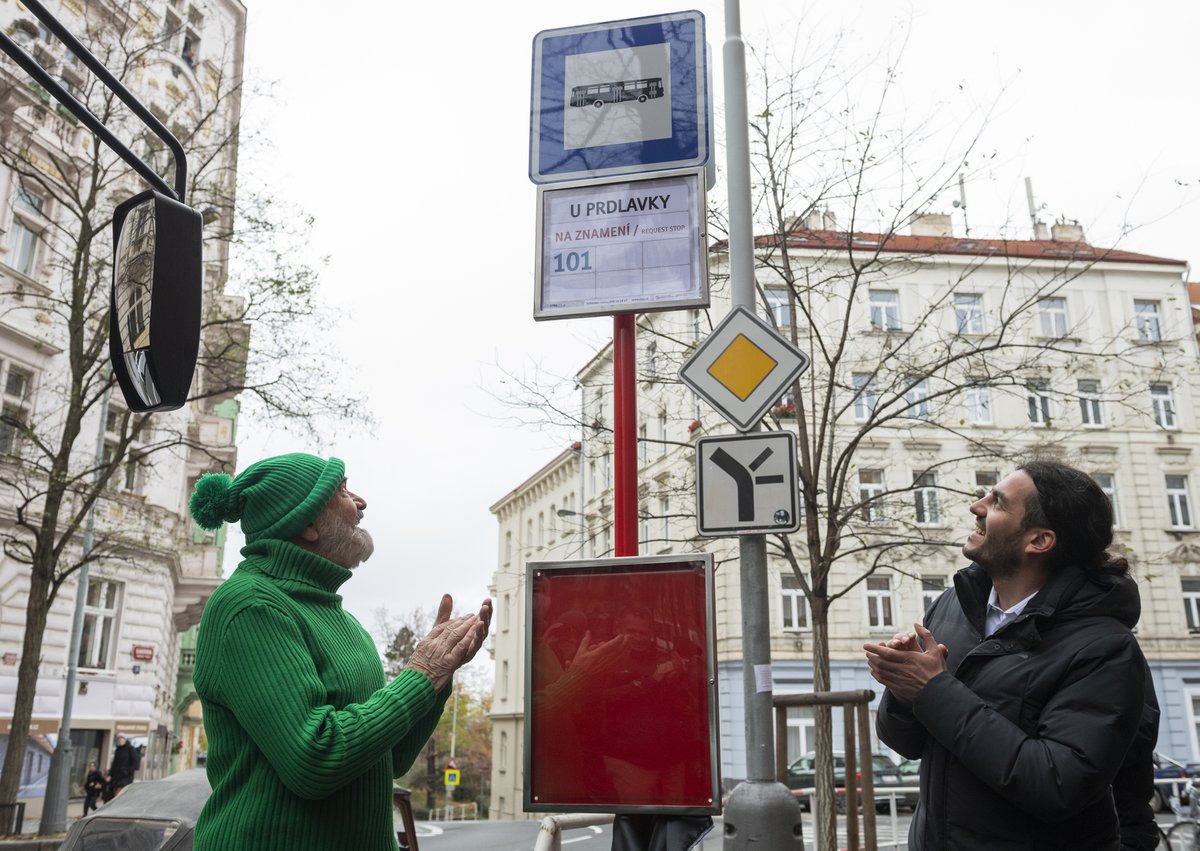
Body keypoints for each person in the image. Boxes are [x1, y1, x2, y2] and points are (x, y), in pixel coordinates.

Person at [187, 453, 490, 851]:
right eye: (343, 490)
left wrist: (439, 675)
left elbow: (391, 757)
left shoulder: (346, 624)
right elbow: (314, 758)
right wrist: (421, 675)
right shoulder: (250, 606)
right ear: (309, 522)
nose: (360, 502)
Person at [865, 460, 1149, 850]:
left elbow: (1058, 785)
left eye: (997, 502)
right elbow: (908, 744)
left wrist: (933, 689)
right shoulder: (954, 606)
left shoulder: (1105, 647)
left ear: (1039, 541)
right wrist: (903, 688)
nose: (976, 506)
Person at [105, 733, 140, 800]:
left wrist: (127, 771)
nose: (120, 740)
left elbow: (136, 763)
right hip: (116, 778)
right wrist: (110, 775)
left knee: (120, 797)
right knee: (114, 796)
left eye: (122, 738)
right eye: (119, 738)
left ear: (125, 739)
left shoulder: (130, 749)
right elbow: (114, 764)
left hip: (125, 778)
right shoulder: (117, 750)